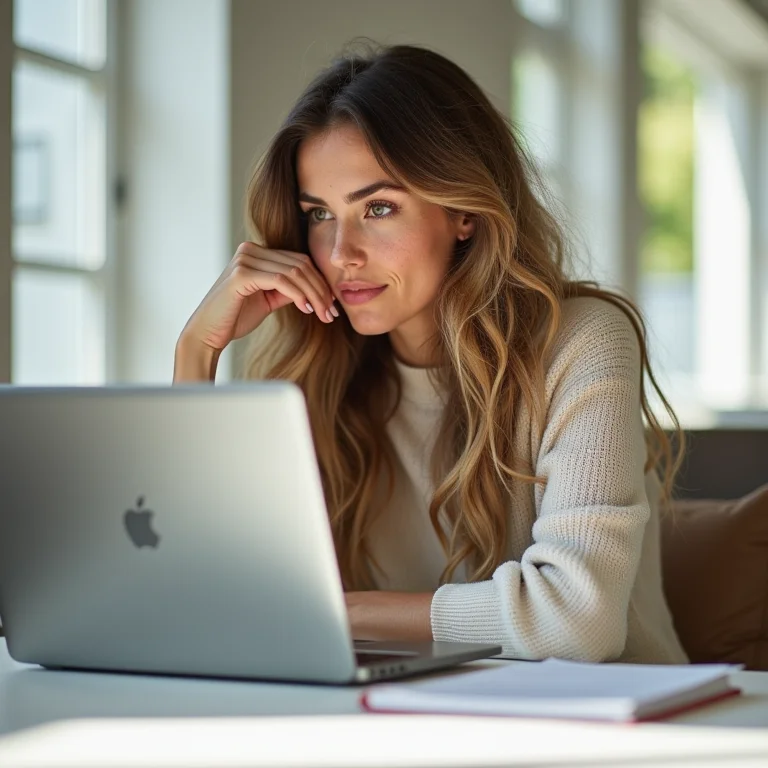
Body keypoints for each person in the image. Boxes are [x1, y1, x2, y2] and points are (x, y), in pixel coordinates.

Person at [173, 40, 689, 664]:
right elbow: (204, 593)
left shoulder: (582, 340)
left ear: (462, 212)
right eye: (319, 214)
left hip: (614, 728)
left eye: (379, 207)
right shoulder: (316, 376)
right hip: (415, 716)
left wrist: (332, 610)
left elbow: (577, 621)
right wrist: (196, 353)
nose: (340, 254)